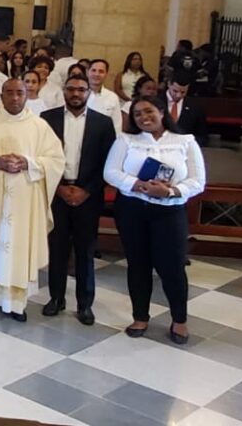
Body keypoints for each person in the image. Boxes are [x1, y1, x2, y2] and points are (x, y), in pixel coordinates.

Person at [106, 96, 206, 344]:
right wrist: (137, 185)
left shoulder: (185, 141)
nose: (143, 117)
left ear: (162, 112)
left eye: (148, 111)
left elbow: (198, 181)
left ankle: (179, 320)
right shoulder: (126, 140)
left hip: (169, 212)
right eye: (137, 114)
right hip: (133, 209)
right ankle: (140, 316)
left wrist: (171, 192)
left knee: (172, 267)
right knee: (138, 264)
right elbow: (111, 172)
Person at [0, 79, 65, 320]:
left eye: (20, 93)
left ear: (27, 95)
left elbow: (56, 160)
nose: (15, 98)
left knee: (17, 249)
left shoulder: (39, 126)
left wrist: (28, 163)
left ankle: (15, 303)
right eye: (9, 93)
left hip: (23, 201)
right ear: (1, 96)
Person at [39, 74, 116, 325]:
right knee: (58, 248)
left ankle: (85, 304)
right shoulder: (47, 119)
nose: (76, 94)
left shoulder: (103, 124)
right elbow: (41, 157)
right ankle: (56, 298)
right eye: (71, 89)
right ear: (63, 91)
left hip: (88, 195)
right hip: (57, 193)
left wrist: (87, 190)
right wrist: (59, 187)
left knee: (85, 250)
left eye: (81, 90)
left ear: (88, 93)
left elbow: (108, 163)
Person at [85, 59, 125, 134]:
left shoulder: (112, 97)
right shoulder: (79, 94)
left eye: (101, 71)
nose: (97, 74)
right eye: (93, 70)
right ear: (87, 72)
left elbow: (117, 125)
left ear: (106, 74)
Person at [163, 77, 208, 145]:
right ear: (169, 84)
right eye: (175, 91)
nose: (178, 95)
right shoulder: (155, 101)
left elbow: (202, 135)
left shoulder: (195, 106)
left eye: (183, 92)